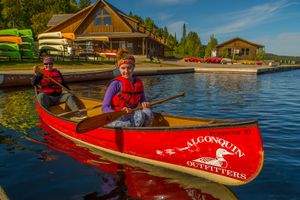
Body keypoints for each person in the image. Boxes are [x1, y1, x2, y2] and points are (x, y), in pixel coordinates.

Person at [102, 49, 153, 127]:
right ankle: (134, 131)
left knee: (147, 113)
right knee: (127, 124)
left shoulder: (138, 83)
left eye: (129, 68)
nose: (126, 71)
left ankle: (143, 132)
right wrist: (120, 113)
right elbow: (104, 108)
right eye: (123, 68)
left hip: (132, 115)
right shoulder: (115, 84)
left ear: (133, 67)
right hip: (118, 116)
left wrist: (145, 103)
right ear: (119, 68)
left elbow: (143, 100)